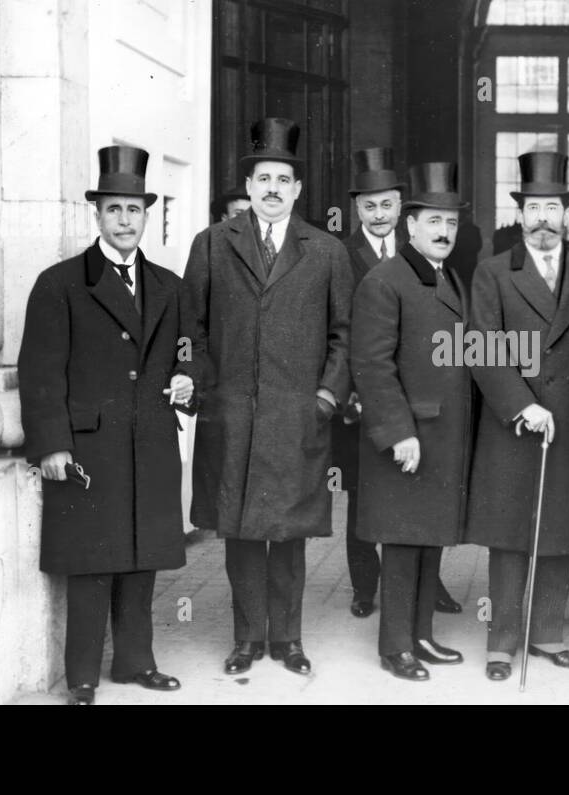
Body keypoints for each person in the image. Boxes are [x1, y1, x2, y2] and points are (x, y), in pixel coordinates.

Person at [19, 145, 195, 705]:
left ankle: (136, 663)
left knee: (142, 558)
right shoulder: (61, 283)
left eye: (134, 210)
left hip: (149, 441)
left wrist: (191, 382)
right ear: (97, 215)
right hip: (90, 448)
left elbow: (191, 354)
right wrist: (50, 443)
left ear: (147, 215)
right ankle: (83, 678)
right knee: (93, 563)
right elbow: (40, 371)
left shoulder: (169, 286)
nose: (125, 221)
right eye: (114, 210)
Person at [183, 117, 353, 677]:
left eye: (284, 179)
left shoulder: (325, 250)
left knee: (290, 535)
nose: (274, 188)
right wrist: (203, 387)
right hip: (231, 417)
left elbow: (344, 335)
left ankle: (289, 638)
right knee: (238, 533)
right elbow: (193, 327)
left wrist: (325, 398)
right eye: (263, 179)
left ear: (298, 189)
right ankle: (246, 639)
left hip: (297, 418)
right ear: (249, 187)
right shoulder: (211, 245)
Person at [465, 151, 569, 682]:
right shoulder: (494, 273)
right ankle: (500, 644)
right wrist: (522, 405)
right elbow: (480, 347)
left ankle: (547, 636)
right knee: (510, 536)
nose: (543, 219)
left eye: (552, 208)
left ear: (566, 213)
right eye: (533, 209)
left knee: (560, 532)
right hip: (514, 422)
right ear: (520, 214)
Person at [350, 162, 475, 680]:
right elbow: (372, 366)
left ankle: (421, 635)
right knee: (403, 543)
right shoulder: (386, 281)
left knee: (429, 539)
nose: (444, 232)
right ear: (410, 226)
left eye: (450, 223)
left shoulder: (446, 275)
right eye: (433, 223)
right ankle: (395, 645)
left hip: (441, 437)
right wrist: (398, 433)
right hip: (409, 438)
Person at [338, 148, 459, 619]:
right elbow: (342, 330)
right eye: (369, 206)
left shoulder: (434, 254)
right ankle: (365, 586)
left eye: (386, 204)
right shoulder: (341, 253)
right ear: (357, 210)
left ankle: (429, 587)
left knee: (415, 494)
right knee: (363, 495)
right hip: (359, 393)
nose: (378, 214)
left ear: (402, 209)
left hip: (413, 397)